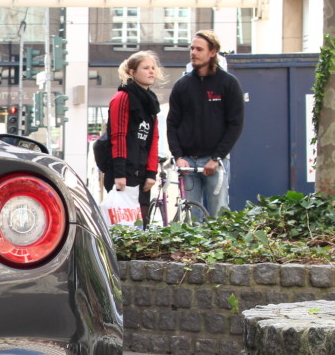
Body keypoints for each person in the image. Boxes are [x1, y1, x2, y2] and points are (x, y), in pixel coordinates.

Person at [165, 30, 244, 219]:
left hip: (215, 161)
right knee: (191, 216)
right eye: (192, 48)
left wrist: (216, 157)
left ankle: (219, 248)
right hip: (187, 162)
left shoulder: (228, 84)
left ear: (213, 52)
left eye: (199, 49)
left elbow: (235, 124)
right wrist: (178, 156)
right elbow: (172, 123)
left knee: (218, 214)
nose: (193, 52)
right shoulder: (182, 85)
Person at [104, 51, 163, 221]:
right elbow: (118, 135)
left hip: (143, 174)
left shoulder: (152, 102)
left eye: (153, 68)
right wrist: (119, 173)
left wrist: (152, 173)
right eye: (146, 68)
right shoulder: (122, 98)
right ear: (132, 72)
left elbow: (153, 140)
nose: (151, 71)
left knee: (140, 226)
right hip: (123, 172)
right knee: (120, 225)